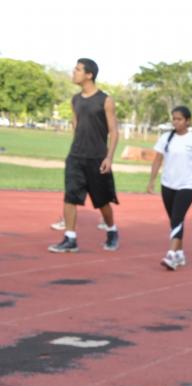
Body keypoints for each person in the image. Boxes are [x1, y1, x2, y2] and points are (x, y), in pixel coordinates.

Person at [48, 58, 120, 253]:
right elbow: (76, 125)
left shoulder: (106, 100)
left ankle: (112, 231)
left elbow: (114, 132)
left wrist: (109, 157)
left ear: (89, 75)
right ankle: (70, 239)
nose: (74, 72)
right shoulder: (75, 100)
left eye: (78, 69)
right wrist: (76, 147)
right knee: (70, 196)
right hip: (76, 156)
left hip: (97, 158)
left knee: (102, 201)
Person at [146, 106, 192, 270]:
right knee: (175, 221)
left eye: (179, 119)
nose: (176, 122)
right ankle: (179, 254)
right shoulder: (166, 138)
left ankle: (171, 255)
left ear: (188, 121)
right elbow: (157, 160)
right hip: (167, 185)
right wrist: (151, 181)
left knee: (177, 219)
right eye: (174, 119)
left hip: (186, 186)